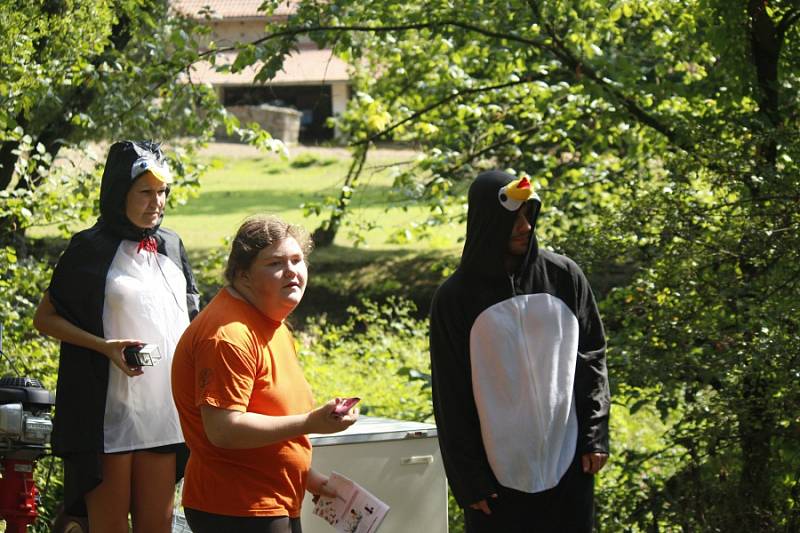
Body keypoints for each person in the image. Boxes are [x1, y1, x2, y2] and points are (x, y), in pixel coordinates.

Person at [429, 170, 611, 533]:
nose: (524, 227)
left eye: (529, 215)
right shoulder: (456, 299)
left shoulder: (565, 278)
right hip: (495, 484)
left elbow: (592, 357)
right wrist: (468, 479)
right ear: (486, 221)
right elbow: (449, 395)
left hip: (569, 464)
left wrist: (595, 433)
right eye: (513, 219)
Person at [33, 140, 199, 533]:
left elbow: (193, 320)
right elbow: (45, 318)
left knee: (156, 527)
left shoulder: (171, 246)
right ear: (118, 193)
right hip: (107, 413)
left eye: (162, 192)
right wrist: (103, 347)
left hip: (163, 411)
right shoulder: (88, 250)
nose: (156, 203)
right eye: (145, 192)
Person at [171, 215, 358, 533]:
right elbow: (224, 430)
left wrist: (312, 480)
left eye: (297, 260)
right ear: (243, 276)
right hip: (238, 507)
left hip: (271, 501)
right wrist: (311, 422)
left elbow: (268, 413)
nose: (292, 272)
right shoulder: (228, 335)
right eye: (275, 263)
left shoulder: (270, 322)